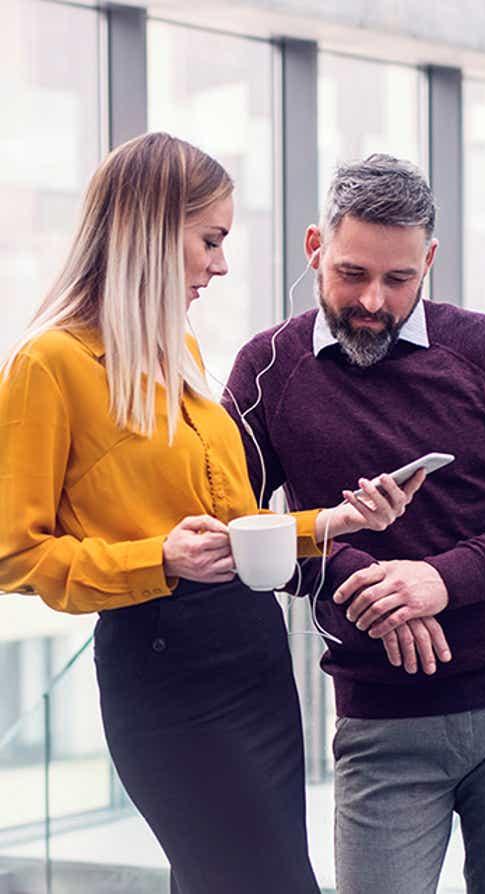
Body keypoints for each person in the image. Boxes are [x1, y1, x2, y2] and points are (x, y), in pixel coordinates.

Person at [0, 135, 426, 894]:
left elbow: (233, 526)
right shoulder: (51, 365)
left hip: (251, 659)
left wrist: (339, 522)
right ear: (152, 233)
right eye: (210, 240)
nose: (220, 264)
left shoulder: (178, 354)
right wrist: (156, 559)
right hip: (167, 670)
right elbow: (15, 555)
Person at [224, 154, 485, 894]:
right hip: (382, 719)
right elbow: (241, 528)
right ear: (315, 246)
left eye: (399, 279)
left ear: (430, 260)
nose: (374, 303)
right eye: (352, 274)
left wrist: (438, 581)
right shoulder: (268, 367)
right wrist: (367, 587)